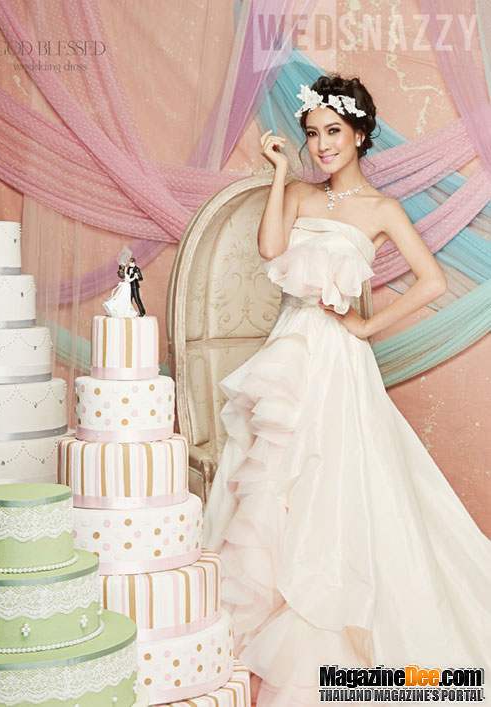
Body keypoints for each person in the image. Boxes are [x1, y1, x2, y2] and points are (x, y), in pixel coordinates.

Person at [202, 74, 491, 706]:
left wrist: (365, 325)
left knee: (333, 485)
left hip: (337, 362)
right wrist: (281, 173)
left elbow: (433, 281)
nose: (322, 144)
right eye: (312, 133)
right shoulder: (300, 193)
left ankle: (357, 662)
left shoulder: (382, 209)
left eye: (334, 131)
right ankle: (256, 637)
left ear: (360, 134)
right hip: (287, 352)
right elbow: (270, 248)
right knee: (271, 483)